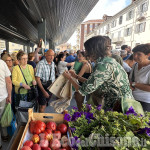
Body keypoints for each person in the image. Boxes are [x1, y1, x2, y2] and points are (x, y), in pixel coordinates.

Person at [63, 36, 133, 110]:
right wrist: (76, 77)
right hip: (118, 104)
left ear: (93, 50)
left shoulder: (103, 65)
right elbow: (92, 83)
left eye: (86, 49)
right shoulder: (106, 61)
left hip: (120, 106)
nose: (85, 52)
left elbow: (83, 90)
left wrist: (70, 78)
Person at [129, 44, 150, 112]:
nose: (135, 56)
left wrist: (134, 84)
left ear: (148, 55)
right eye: (134, 54)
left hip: (145, 102)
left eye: (139, 54)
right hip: (132, 99)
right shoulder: (135, 65)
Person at [0, 60, 12, 148]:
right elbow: (8, 81)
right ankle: (4, 136)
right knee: (2, 117)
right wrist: (9, 95)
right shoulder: (2, 63)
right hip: (1, 97)